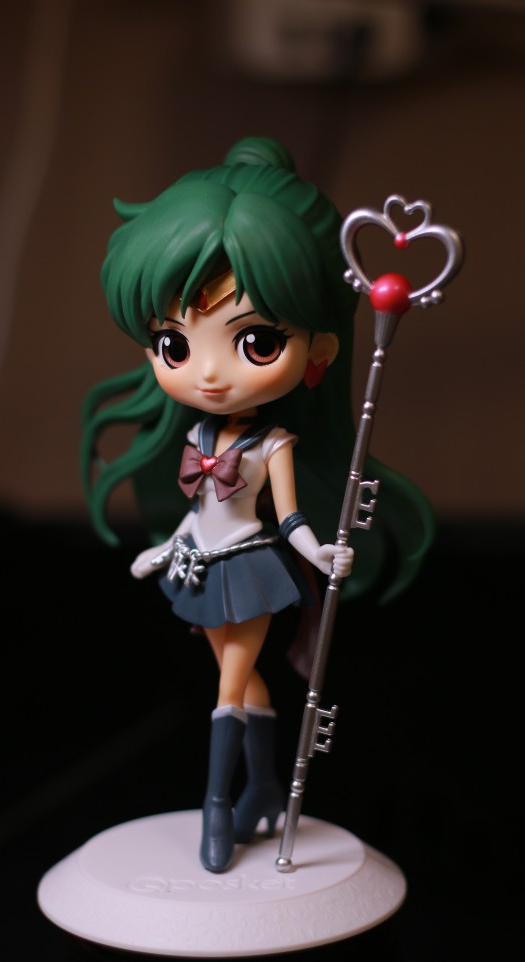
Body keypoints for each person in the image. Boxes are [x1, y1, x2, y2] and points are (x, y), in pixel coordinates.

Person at [81, 136, 434, 873]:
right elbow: (198, 508)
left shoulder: (273, 443)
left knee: (230, 683)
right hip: (199, 561)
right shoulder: (198, 434)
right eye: (174, 344)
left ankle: (219, 803)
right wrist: (162, 547)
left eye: (257, 341)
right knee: (248, 681)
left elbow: (291, 516)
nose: (208, 374)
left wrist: (318, 552)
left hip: (248, 565)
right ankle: (267, 787)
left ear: (320, 351)